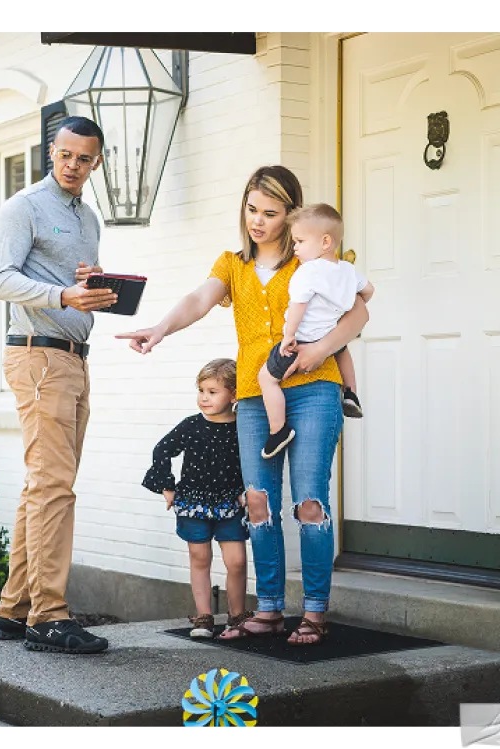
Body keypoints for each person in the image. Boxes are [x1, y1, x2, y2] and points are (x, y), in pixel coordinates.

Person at [116, 165, 369, 646]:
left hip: (316, 388)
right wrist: (159, 329)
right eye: (252, 210)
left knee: (310, 500)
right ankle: (269, 608)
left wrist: (318, 350)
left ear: (290, 214)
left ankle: (314, 612)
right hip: (255, 396)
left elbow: (360, 310)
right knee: (257, 501)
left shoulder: (311, 257)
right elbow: (198, 299)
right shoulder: (232, 265)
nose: (258, 221)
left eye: (270, 213)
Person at [0, 116, 120, 655]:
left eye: (84, 159)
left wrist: (91, 287)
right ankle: (49, 615)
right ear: (52, 151)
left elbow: (68, 281)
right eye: (65, 155)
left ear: (97, 162)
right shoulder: (24, 206)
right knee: (53, 487)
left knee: (43, 486)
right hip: (38, 356)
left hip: (73, 360)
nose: (73, 166)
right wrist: (64, 297)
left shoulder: (88, 217)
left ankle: (15, 609)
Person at [141, 358, 252, 639]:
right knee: (199, 556)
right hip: (193, 502)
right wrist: (166, 486)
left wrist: (246, 489)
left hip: (230, 504)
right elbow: (161, 450)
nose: (204, 397)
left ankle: (237, 616)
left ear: (234, 394)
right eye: (201, 390)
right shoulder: (191, 426)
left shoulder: (243, 428)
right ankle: (203, 617)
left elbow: (253, 460)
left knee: (237, 560)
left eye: (213, 392)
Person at [258, 203, 374, 459]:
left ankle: (278, 430)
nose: (295, 247)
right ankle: (351, 392)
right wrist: (348, 302)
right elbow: (369, 291)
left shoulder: (307, 272)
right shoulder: (347, 269)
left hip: (304, 339)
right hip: (330, 333)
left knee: (266, 378)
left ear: (325, 242)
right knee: (342, 350)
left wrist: (289, 335)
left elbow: (298, 307)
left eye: (299, 241)